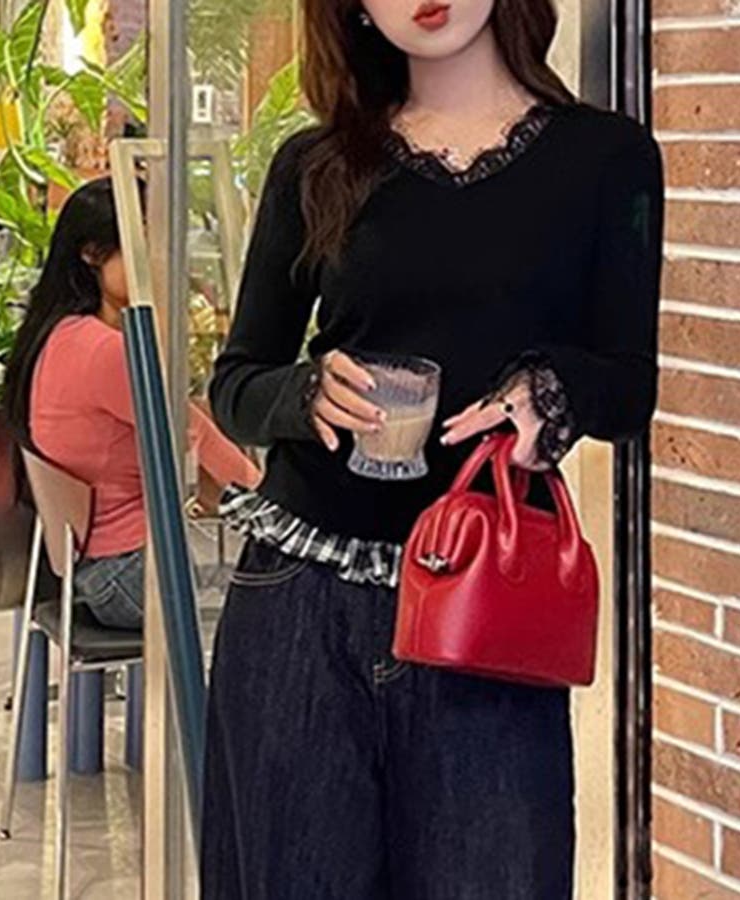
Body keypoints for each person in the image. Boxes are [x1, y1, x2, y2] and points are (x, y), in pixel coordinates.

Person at [203, 0, 664, 895]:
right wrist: (305, 393)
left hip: (487, 611)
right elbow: (237, 385)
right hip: (301, 603)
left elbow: (628, 384)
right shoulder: (317, 164)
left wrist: (550, 390)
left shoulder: (608, 158)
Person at [3, 178, 262, 630]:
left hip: (93, 567)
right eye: (142, 238)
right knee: (279, 602)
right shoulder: (105, 350)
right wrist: (269, 498)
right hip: (127, 571)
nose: (159, 256)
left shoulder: (63, 334)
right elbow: (191, 433)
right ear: (92, 253)